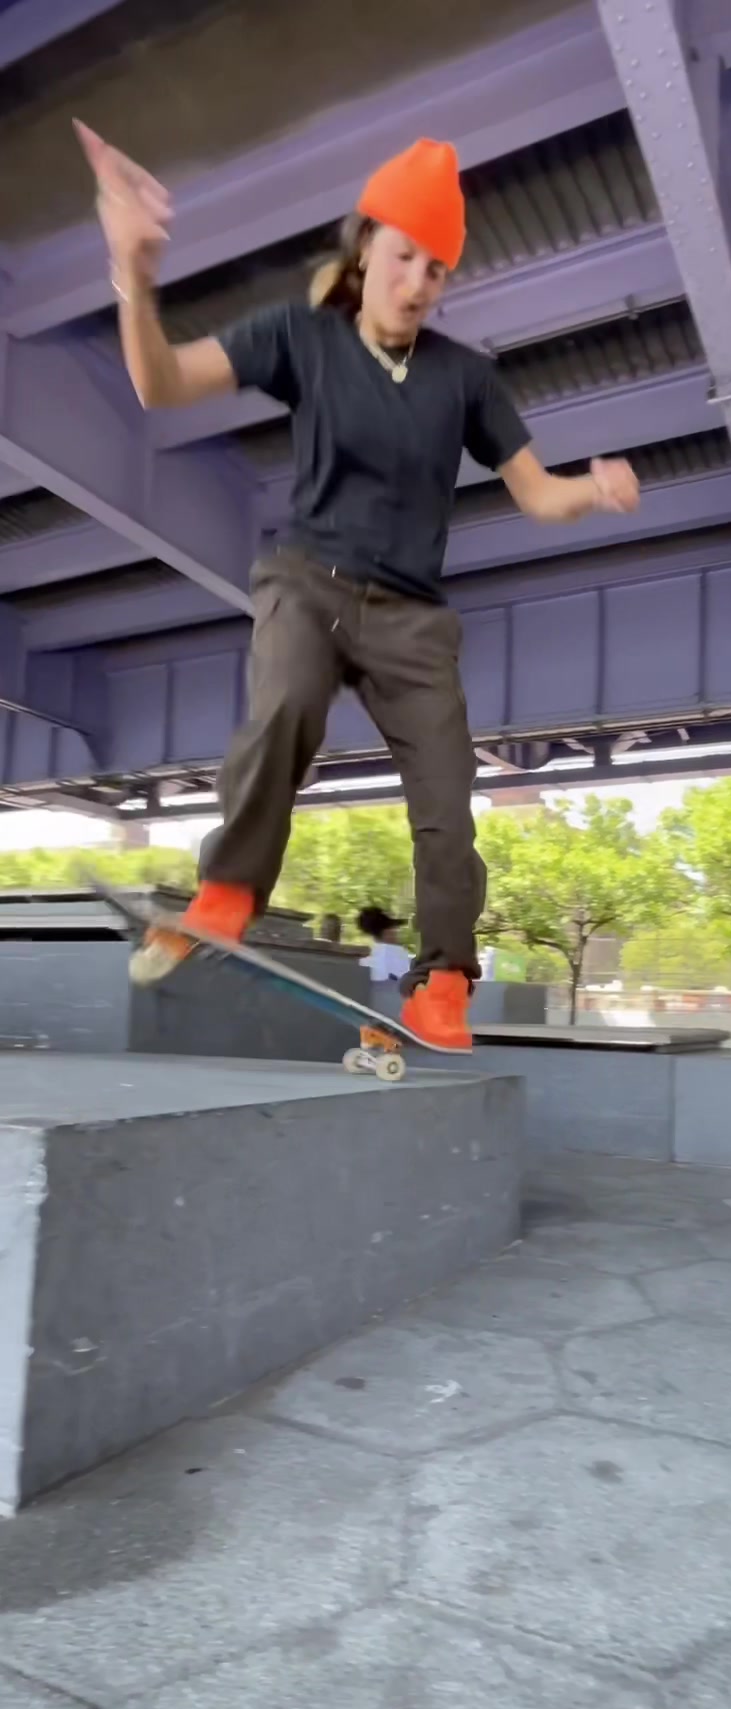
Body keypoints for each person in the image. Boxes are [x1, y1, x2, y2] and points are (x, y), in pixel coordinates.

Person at [75, 122, 640, 1049]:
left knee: (447, 796)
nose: (417, 283)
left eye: (437, 270)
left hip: (412, 620)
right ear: (367, 243)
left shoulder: (465, 378)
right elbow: (162, 382)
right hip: (310, 585)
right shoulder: (301, 338)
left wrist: (594, 489)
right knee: (286, 704)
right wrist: (133, 276)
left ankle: (444, 979)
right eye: (405, 256)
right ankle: (229, 890)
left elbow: (538, 494)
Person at [357, 906, 411, 984]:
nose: (397, 932)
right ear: (387, 931)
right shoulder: (398, 954)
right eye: (395, 928)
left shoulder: (363, 962)